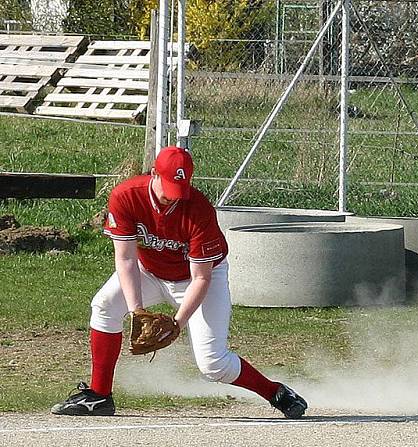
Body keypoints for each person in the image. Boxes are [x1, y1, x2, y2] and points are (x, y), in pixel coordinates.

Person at [51, 146, 307, 419]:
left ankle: (275, 392)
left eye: (180, 187)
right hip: (148, 271)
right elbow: (126, 259)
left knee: (213, 364)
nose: (172, 197)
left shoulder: (199, 209)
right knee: (104, 306)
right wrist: (138, 311)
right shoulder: (126, 196)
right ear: (153, 174)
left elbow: (201, 277)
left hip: (195, 279)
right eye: (169, 186)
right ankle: (99, 396)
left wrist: (176, 324)